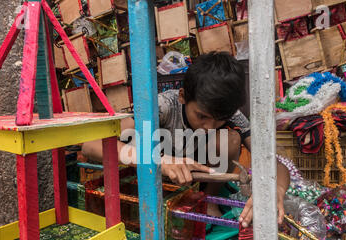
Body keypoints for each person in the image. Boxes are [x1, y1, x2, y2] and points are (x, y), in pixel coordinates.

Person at [82, 51, 290, 227]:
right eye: (201, 116)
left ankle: (208, 200)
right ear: (182, 96)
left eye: (219, 120)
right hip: (153, 182)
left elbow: (275, 162)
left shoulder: (232, 116)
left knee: (230, 139)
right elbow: (90, 144)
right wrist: (156, 160)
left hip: (197, 180)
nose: (208, 127)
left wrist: (277, 189)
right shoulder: (162, 106)